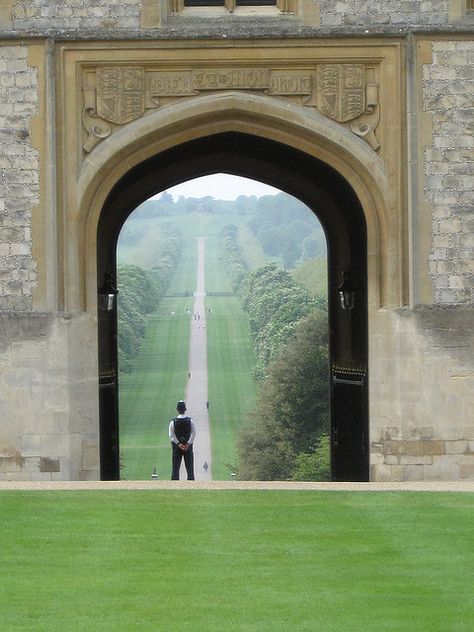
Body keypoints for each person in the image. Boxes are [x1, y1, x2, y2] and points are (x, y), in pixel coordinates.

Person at [169, 400, 196, 480]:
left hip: (177, 448)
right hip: (188, 448)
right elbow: (193, 434)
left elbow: (171, 435)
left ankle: (174, 486)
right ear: (185, 410)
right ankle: (191, 486)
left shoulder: (173, 422)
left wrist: (179, 444)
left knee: (175, 469)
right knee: (190, 469)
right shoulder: (190, 421)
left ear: (177, 410)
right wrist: (188, 443)